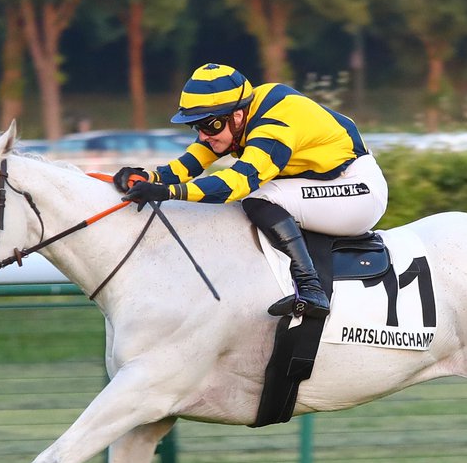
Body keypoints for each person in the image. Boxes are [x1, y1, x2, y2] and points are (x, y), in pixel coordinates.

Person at [113, 63, 388, 319]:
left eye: (210, 124)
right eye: (196, 125)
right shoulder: (237, 119)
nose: (204, 133)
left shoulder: (275, 125)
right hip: (323, 183)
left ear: (237, 115)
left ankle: (310, 288)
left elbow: (235, 184)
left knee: (257, 199)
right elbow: (193, 160)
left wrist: (168, 192)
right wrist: (150, 176)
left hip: (357, 190)